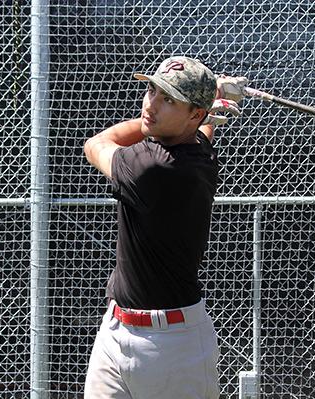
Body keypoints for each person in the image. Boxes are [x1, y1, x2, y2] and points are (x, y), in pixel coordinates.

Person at [83, 55, 247, 398]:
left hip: (172, 347)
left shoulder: (153, 168)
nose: (152, 105)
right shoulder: (197, 148)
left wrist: (209, 98)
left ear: (194, 113)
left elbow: (96, 144)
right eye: (152, 91)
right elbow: (202, 130)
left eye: (169, 100)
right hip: (115, 331)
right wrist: (209, 97)